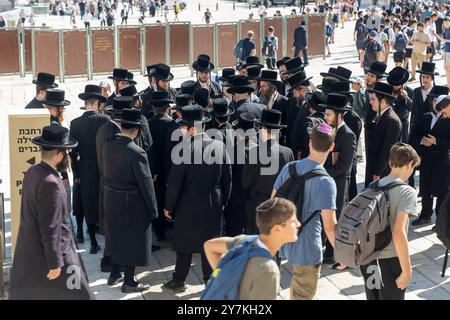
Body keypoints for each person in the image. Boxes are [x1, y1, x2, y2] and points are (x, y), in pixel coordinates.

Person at [9, 126, 94, 300]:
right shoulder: (51, 183)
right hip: (57, 257)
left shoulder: (32, 171)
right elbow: (51, 227)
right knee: (82, 296)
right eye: (67, 152)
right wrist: (55, 263)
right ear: (60, 155)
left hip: (32, 255)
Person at [163, 105, 232, 292]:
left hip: (187, 205)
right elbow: (228, 178)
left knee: (184, 245)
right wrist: (224, 201)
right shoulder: (220, 146)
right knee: (210, 245)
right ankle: (211, 281)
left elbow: (174, 184)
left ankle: (178, 280)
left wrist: (168, 206)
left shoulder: (183, 149)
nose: (181, 130)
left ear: (193, 128)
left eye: (183, 127)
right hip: (213, 203)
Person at [272, 124, 337, 300]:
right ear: (331, 147)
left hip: (285, 241)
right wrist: (342, 254)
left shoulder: (290, 168)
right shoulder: (327, 182)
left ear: (310, 142)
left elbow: (273, 202)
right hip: (308, 247)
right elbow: (330, 226)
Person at [102, 108, 158, 293]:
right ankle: (129, 281)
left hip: (111, 198)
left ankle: (114, 273)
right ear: (137, 130)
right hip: (132, 202)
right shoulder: (138, 152)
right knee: (133, 241)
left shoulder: (108, 146)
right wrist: (153, 209)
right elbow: (146, 184)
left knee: (116, 236)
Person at [204, 198, 300, 300]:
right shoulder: (268, 270)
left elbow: (209, 247)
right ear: (277, 229)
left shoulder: (244, 241)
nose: (298, 224)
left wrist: (225, 279)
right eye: (293, 221)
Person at [360, 143, 420, 300]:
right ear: (409, 164)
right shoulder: (407, 192)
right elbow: (398, 232)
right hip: (390, 262)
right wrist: (407, 270)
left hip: (369, 260)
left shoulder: (373, 186)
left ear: (390, 163)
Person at [96, 96, 134, 272]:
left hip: (107, 182)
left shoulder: (104, 128)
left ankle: (111, 259)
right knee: (113, 227)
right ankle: (111, 261)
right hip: (113, 184)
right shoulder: (113, 134)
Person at [241, 109, 294, 234]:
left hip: (257, 207)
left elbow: (245, 182)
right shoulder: (287, 153)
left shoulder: (254, 152)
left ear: (264, 130)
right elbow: (291, 182)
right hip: (278, 207)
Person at [69, 85, 109, 252]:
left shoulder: (75, 123)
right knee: (100, 204)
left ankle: (92, 241)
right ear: (98, 103)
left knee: (86, 203)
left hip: (84, 169)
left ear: (85, 103)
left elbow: (72, 151)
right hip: (102, 169)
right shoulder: (106, 121)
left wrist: (77, 171)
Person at [320, 93, 356, 268]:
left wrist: (324, 172)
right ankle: (328, 251)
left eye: (328, 114)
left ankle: (341, 255)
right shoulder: (326, 128)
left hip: (338, 183)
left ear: (339, 115)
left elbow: (344, 166)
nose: (325, 117)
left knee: (337, 220)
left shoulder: (348, 135)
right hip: (324, 180)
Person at [410, 94, 450, 227]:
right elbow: (414, 135)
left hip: (442, 162)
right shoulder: (426, 117)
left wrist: (436, 141)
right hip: (426, 159)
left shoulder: (448, 118)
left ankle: (440, 221)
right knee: (426, 188)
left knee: (441, 191)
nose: (441, 113)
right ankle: (425, 215)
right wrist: (422, 141)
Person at [147, 90, 176, 241]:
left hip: (154, 169)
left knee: (156, 197)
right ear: (168, 107)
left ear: (154, 108)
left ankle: (158, 229)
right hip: (169, 168)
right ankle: (168, 223)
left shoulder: (148, 124)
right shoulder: (172, 124)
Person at [365, 82, 402, 187]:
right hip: (373, 167)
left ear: (382, 101)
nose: (370, 102)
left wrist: (377, 173)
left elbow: (387, 150)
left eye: (373, 99)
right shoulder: (379, 115)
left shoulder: (392, 121)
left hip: (382, 173)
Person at [387, 67, 413, 143]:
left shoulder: (409, 90)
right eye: (394, 85)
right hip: (391, 123)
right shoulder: (389, 89)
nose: (395, 87)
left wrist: (406, 97)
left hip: (403, 124)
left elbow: (412, 108)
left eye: (397, 85)